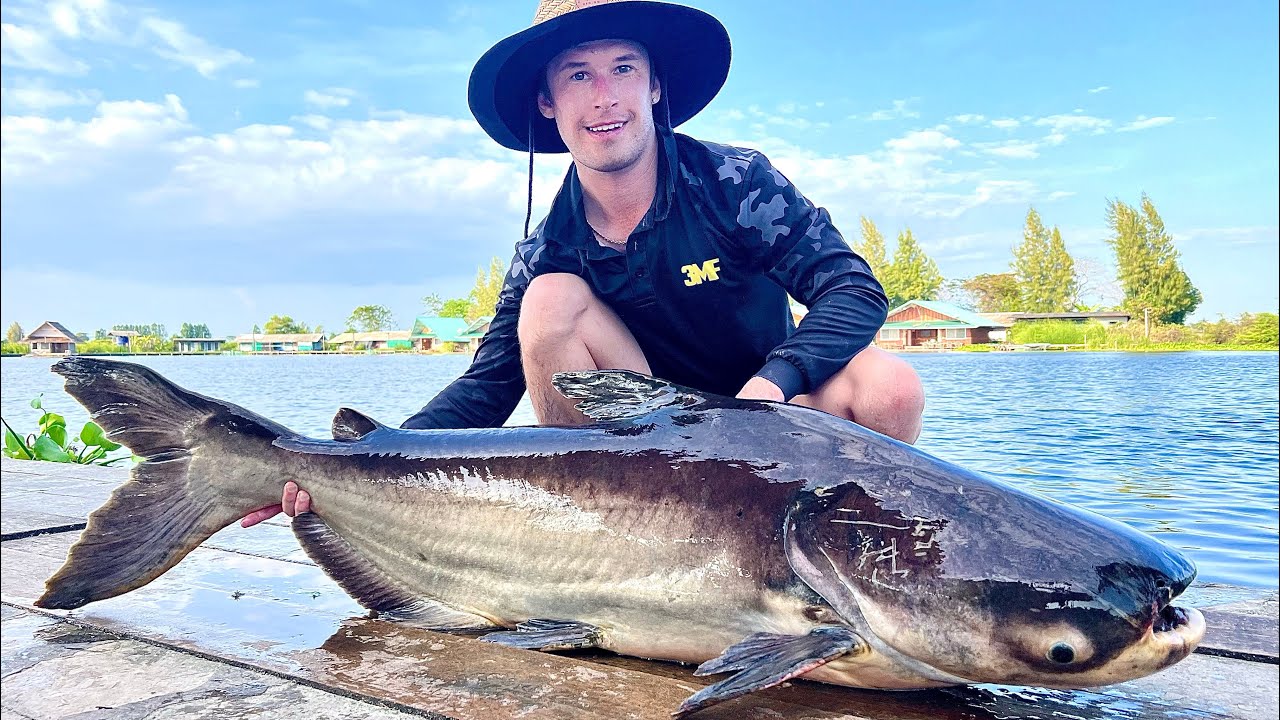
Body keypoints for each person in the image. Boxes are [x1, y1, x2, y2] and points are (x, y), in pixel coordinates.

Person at [242, 0, 924, 527]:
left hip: (771, 419)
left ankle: (849, 588)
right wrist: (347, 464)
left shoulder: (737, 184)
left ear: (655, 85)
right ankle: (601, 551)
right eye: (578, 75)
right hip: (645, 447)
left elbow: (853, 289)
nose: (605, 97)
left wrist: (773, 384)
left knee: (891, 388)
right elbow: (485, 389)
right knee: (549, 302)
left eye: (623, 68)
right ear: (548, 101)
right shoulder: (546, 251)